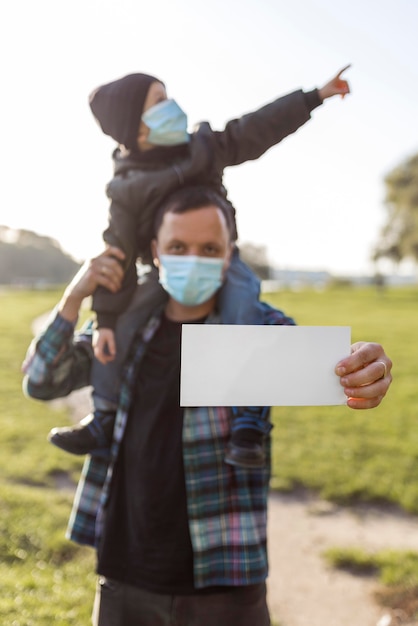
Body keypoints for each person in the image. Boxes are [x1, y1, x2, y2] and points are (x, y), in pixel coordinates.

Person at [23, 186, 392, 626]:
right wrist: (74, 298)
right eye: (179, 247)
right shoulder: (121, 324)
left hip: (226, 580)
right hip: (124, 569)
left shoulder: (258, 326)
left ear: (229, 254)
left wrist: (366, 368)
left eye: (209, 248)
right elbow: (42, 381)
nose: (193, 259)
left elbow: (334, 366)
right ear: (156, 251)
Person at [48, 66, 351, 467]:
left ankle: (249, 421)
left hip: (223, 262)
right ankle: (104, 415)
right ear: (134, 128)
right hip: (161, 272)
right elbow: (116, 253)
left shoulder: (205, 147)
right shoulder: (125, 187)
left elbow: (256, 128)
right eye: (159, 100)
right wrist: (104, 318)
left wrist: (314, 96)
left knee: (243, 307)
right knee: (121, 326)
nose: (171, 106)